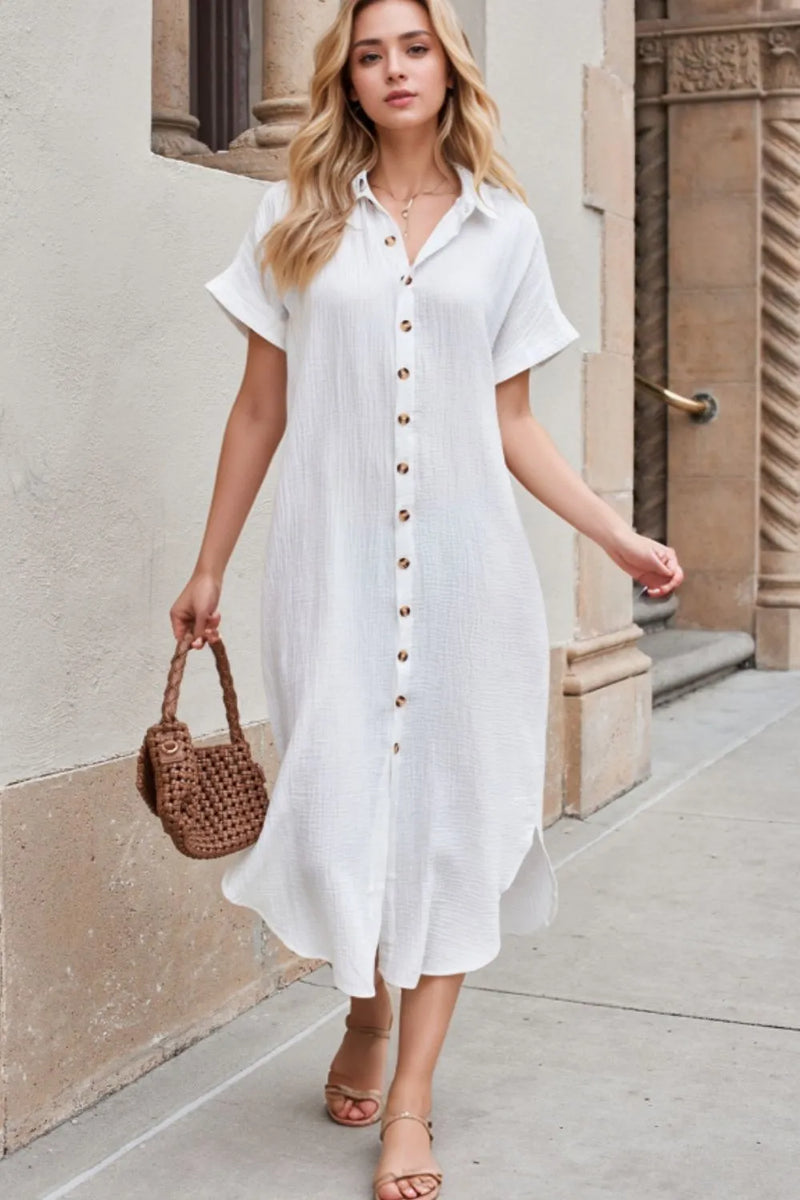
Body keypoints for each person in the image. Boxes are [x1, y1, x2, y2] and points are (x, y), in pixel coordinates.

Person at [170, 1, 684, 1196]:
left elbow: (512, 425)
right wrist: (207, 564)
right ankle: (364, 1006)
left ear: (448, 69)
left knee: (451, 820)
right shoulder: (292, 215)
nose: (393, 69)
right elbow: (260, 409)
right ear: (345, 80)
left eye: (413, 49)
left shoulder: (506, 230)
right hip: (331, 574)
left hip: (465, 577)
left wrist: (614, 535)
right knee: (340, 810)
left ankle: (411, 1095)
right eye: (369, 54)